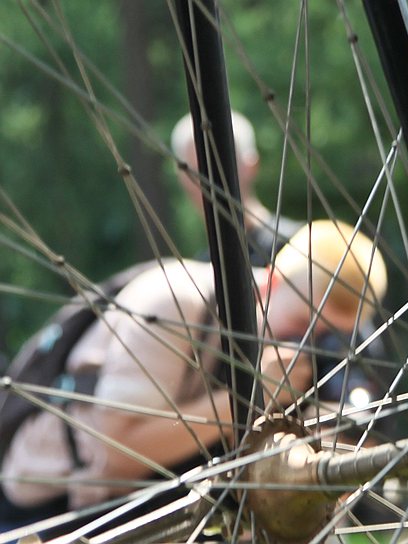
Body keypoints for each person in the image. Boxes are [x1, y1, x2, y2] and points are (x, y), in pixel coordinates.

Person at [0, 219, 387, 537]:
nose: (305, 343)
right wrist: (248, 395)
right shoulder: (175, 300)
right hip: (45, 509)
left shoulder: (278, 347)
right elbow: (115, 454)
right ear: (271, 281)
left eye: (325, 335)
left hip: (143, 506)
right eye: (304, 322)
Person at [171, 110, 302, 267]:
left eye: (220, 166)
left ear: (251, 165)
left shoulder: (300, 245)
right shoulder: (202, 268)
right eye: (195, 171)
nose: (208, 181)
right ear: (180, 177)